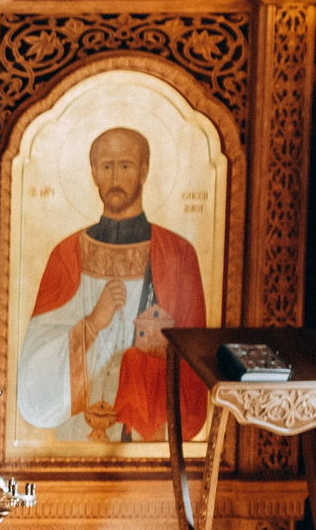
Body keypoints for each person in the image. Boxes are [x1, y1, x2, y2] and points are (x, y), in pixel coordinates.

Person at [16, 126, 209, 444]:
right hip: (82, 429)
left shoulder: (177, 253)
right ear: (93, 172)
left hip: (148, 426)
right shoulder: (67, 254)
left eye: (125, 165)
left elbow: (194, 358)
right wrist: (92, 323)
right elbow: (34, 367)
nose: (115, 177)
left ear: (144, 171)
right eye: (106, 166)